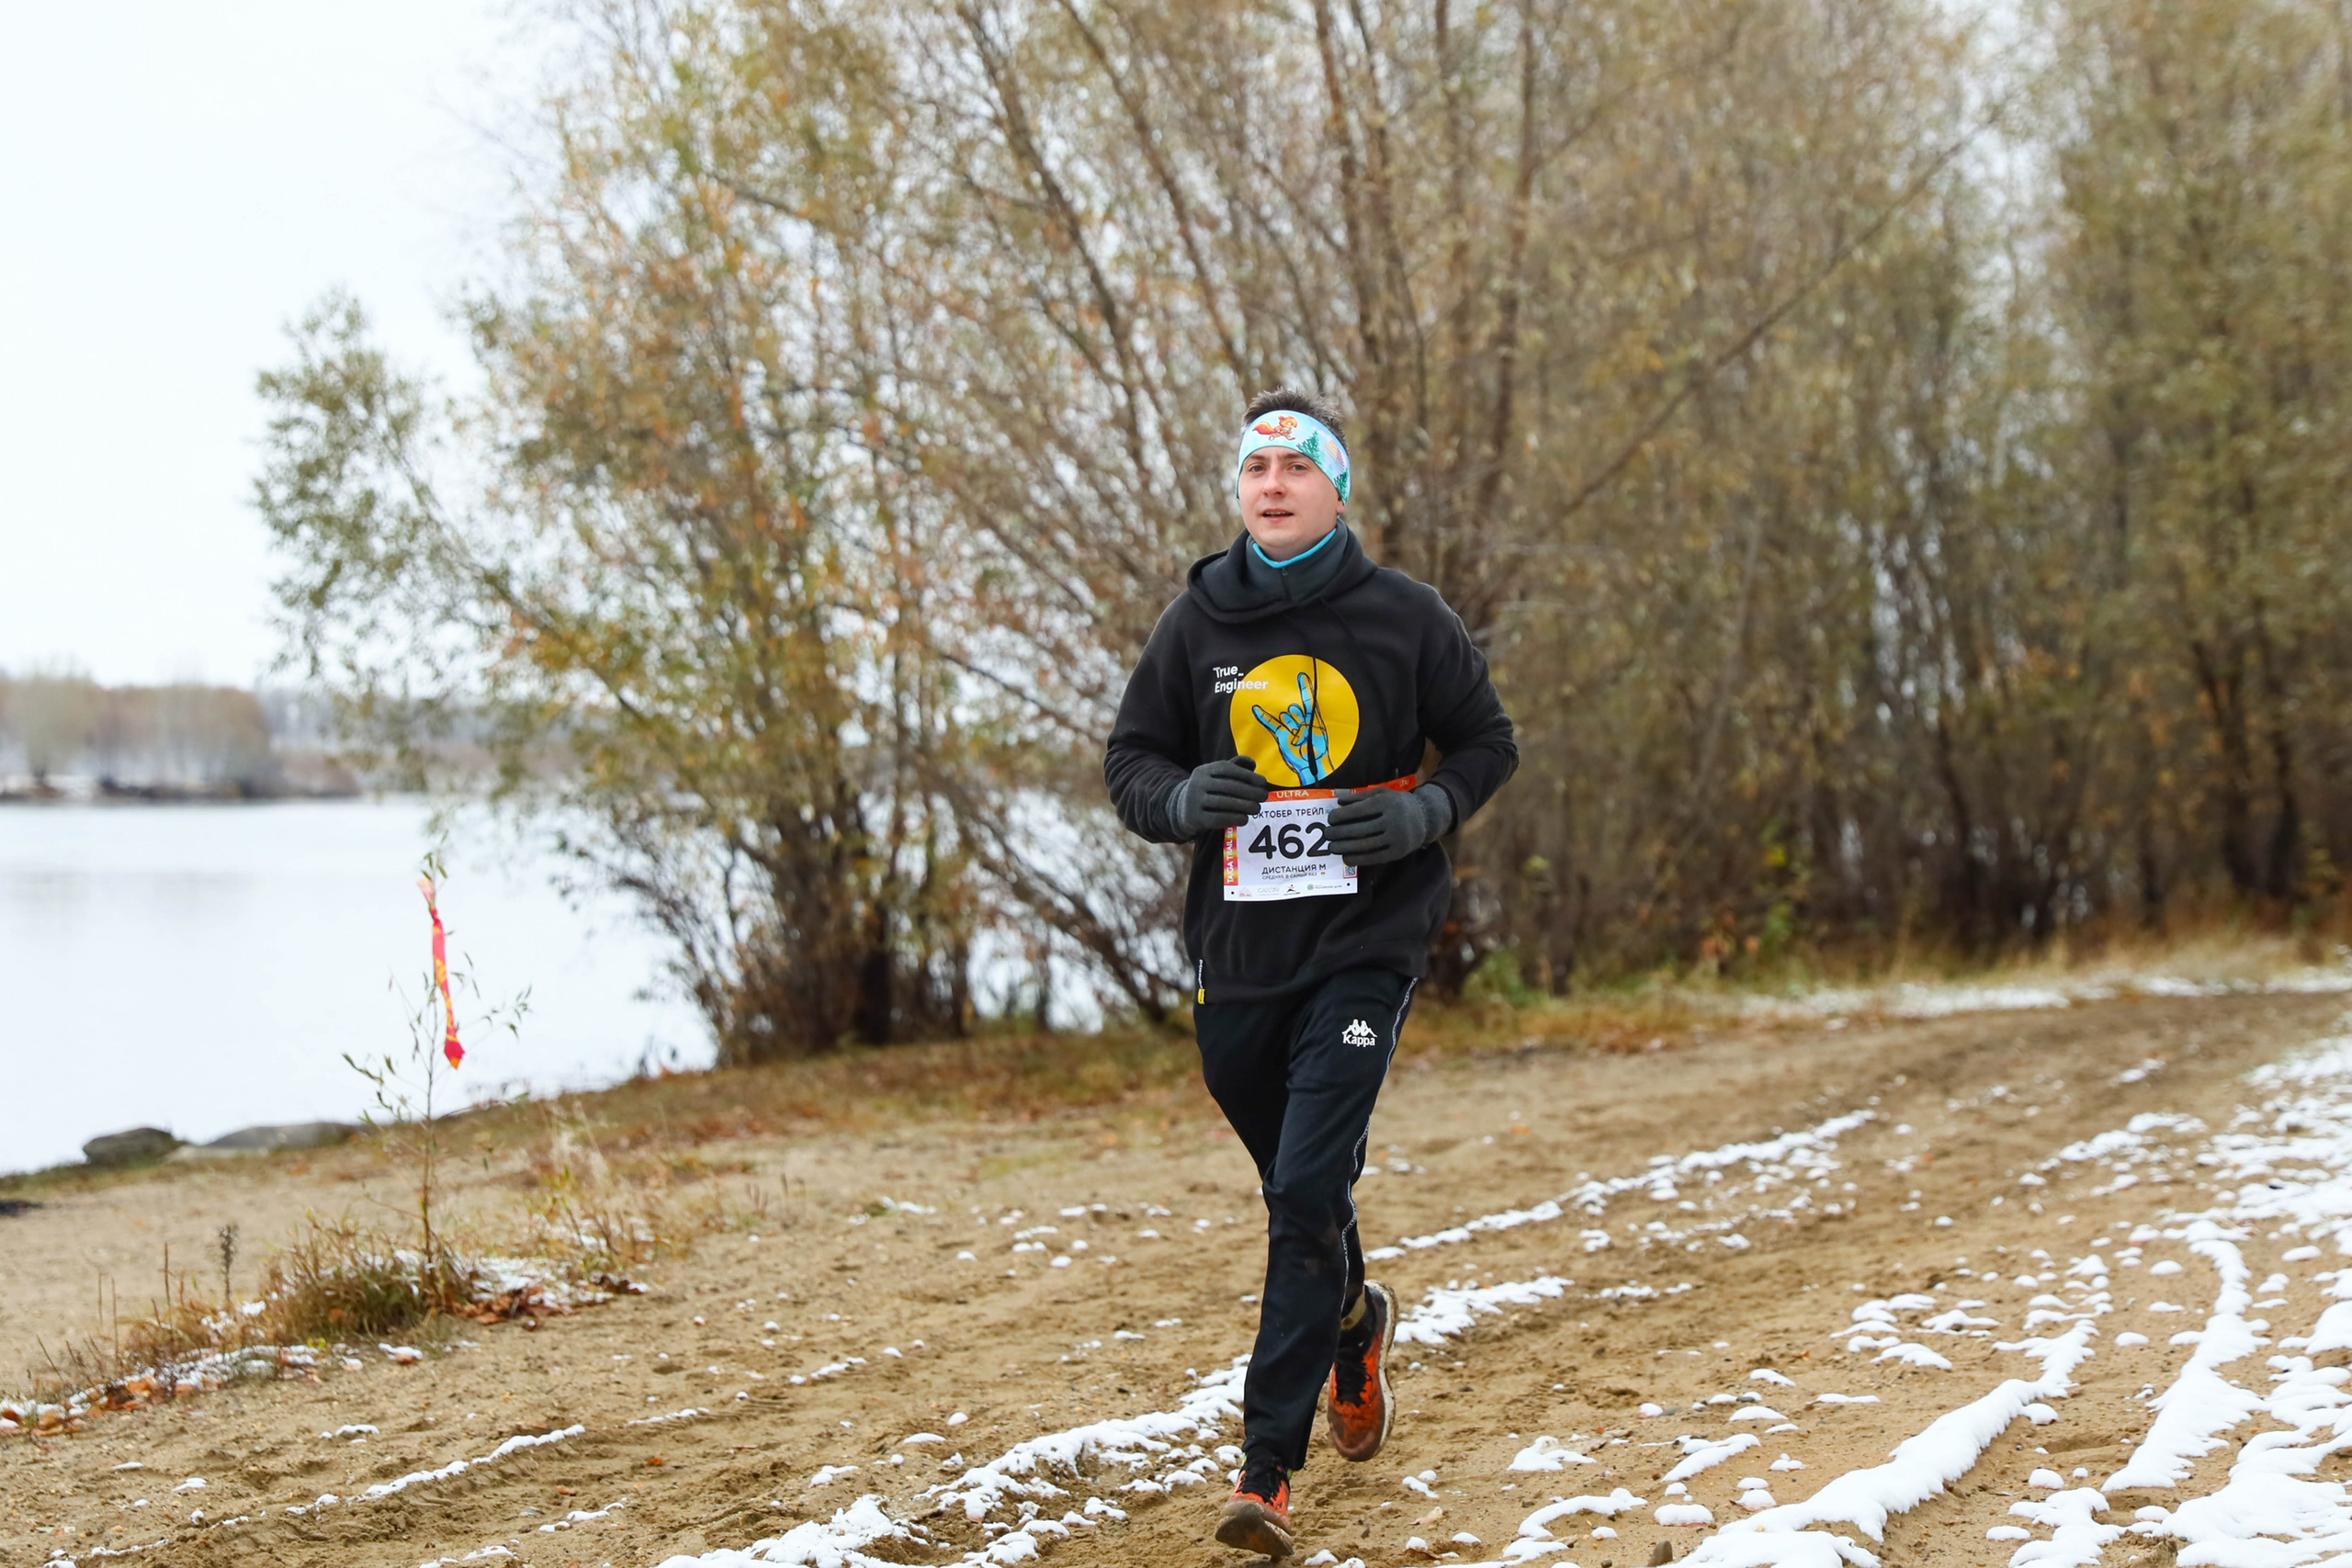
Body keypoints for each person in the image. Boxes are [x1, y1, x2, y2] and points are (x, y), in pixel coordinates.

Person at [1103, 388, 1519, 1559]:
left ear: (1337, 490)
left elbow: (1489, 741)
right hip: (1238, 955)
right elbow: (1130, 760)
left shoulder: (1404, 618)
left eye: (1295, 466)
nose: (1272, 484)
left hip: (1365, 941)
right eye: (1255, 469)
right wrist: (1181, 799)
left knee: (1299, 1193)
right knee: (1298, 1180)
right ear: (1238, 492)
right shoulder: (1197, 627)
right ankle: (1353, 1318)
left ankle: (1265, 1472)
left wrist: (1428, 811)